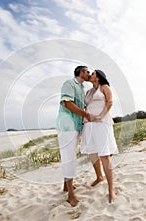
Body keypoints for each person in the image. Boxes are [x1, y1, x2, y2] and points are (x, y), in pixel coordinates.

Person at [81, 69, 119, 203]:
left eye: (93, 73)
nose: (90, 75)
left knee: (104, 155)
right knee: (92, 153)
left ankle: (111, 189)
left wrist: (101, 116)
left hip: (102, 124)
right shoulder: (88, 92)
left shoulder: (105, 87)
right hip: (88, 125)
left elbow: (110, 103)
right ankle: (99, 177)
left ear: (98, 76)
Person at [56, 65, 92, 207]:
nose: (89, 74)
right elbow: (67, 103)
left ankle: (66, 185)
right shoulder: (69, 83)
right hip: (67, 126)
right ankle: (70, 193)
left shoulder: (83, 89)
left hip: (76, 126)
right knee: (69, 157)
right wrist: (86, 114)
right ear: (81, 72)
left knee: (69, 156)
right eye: (87, 72)